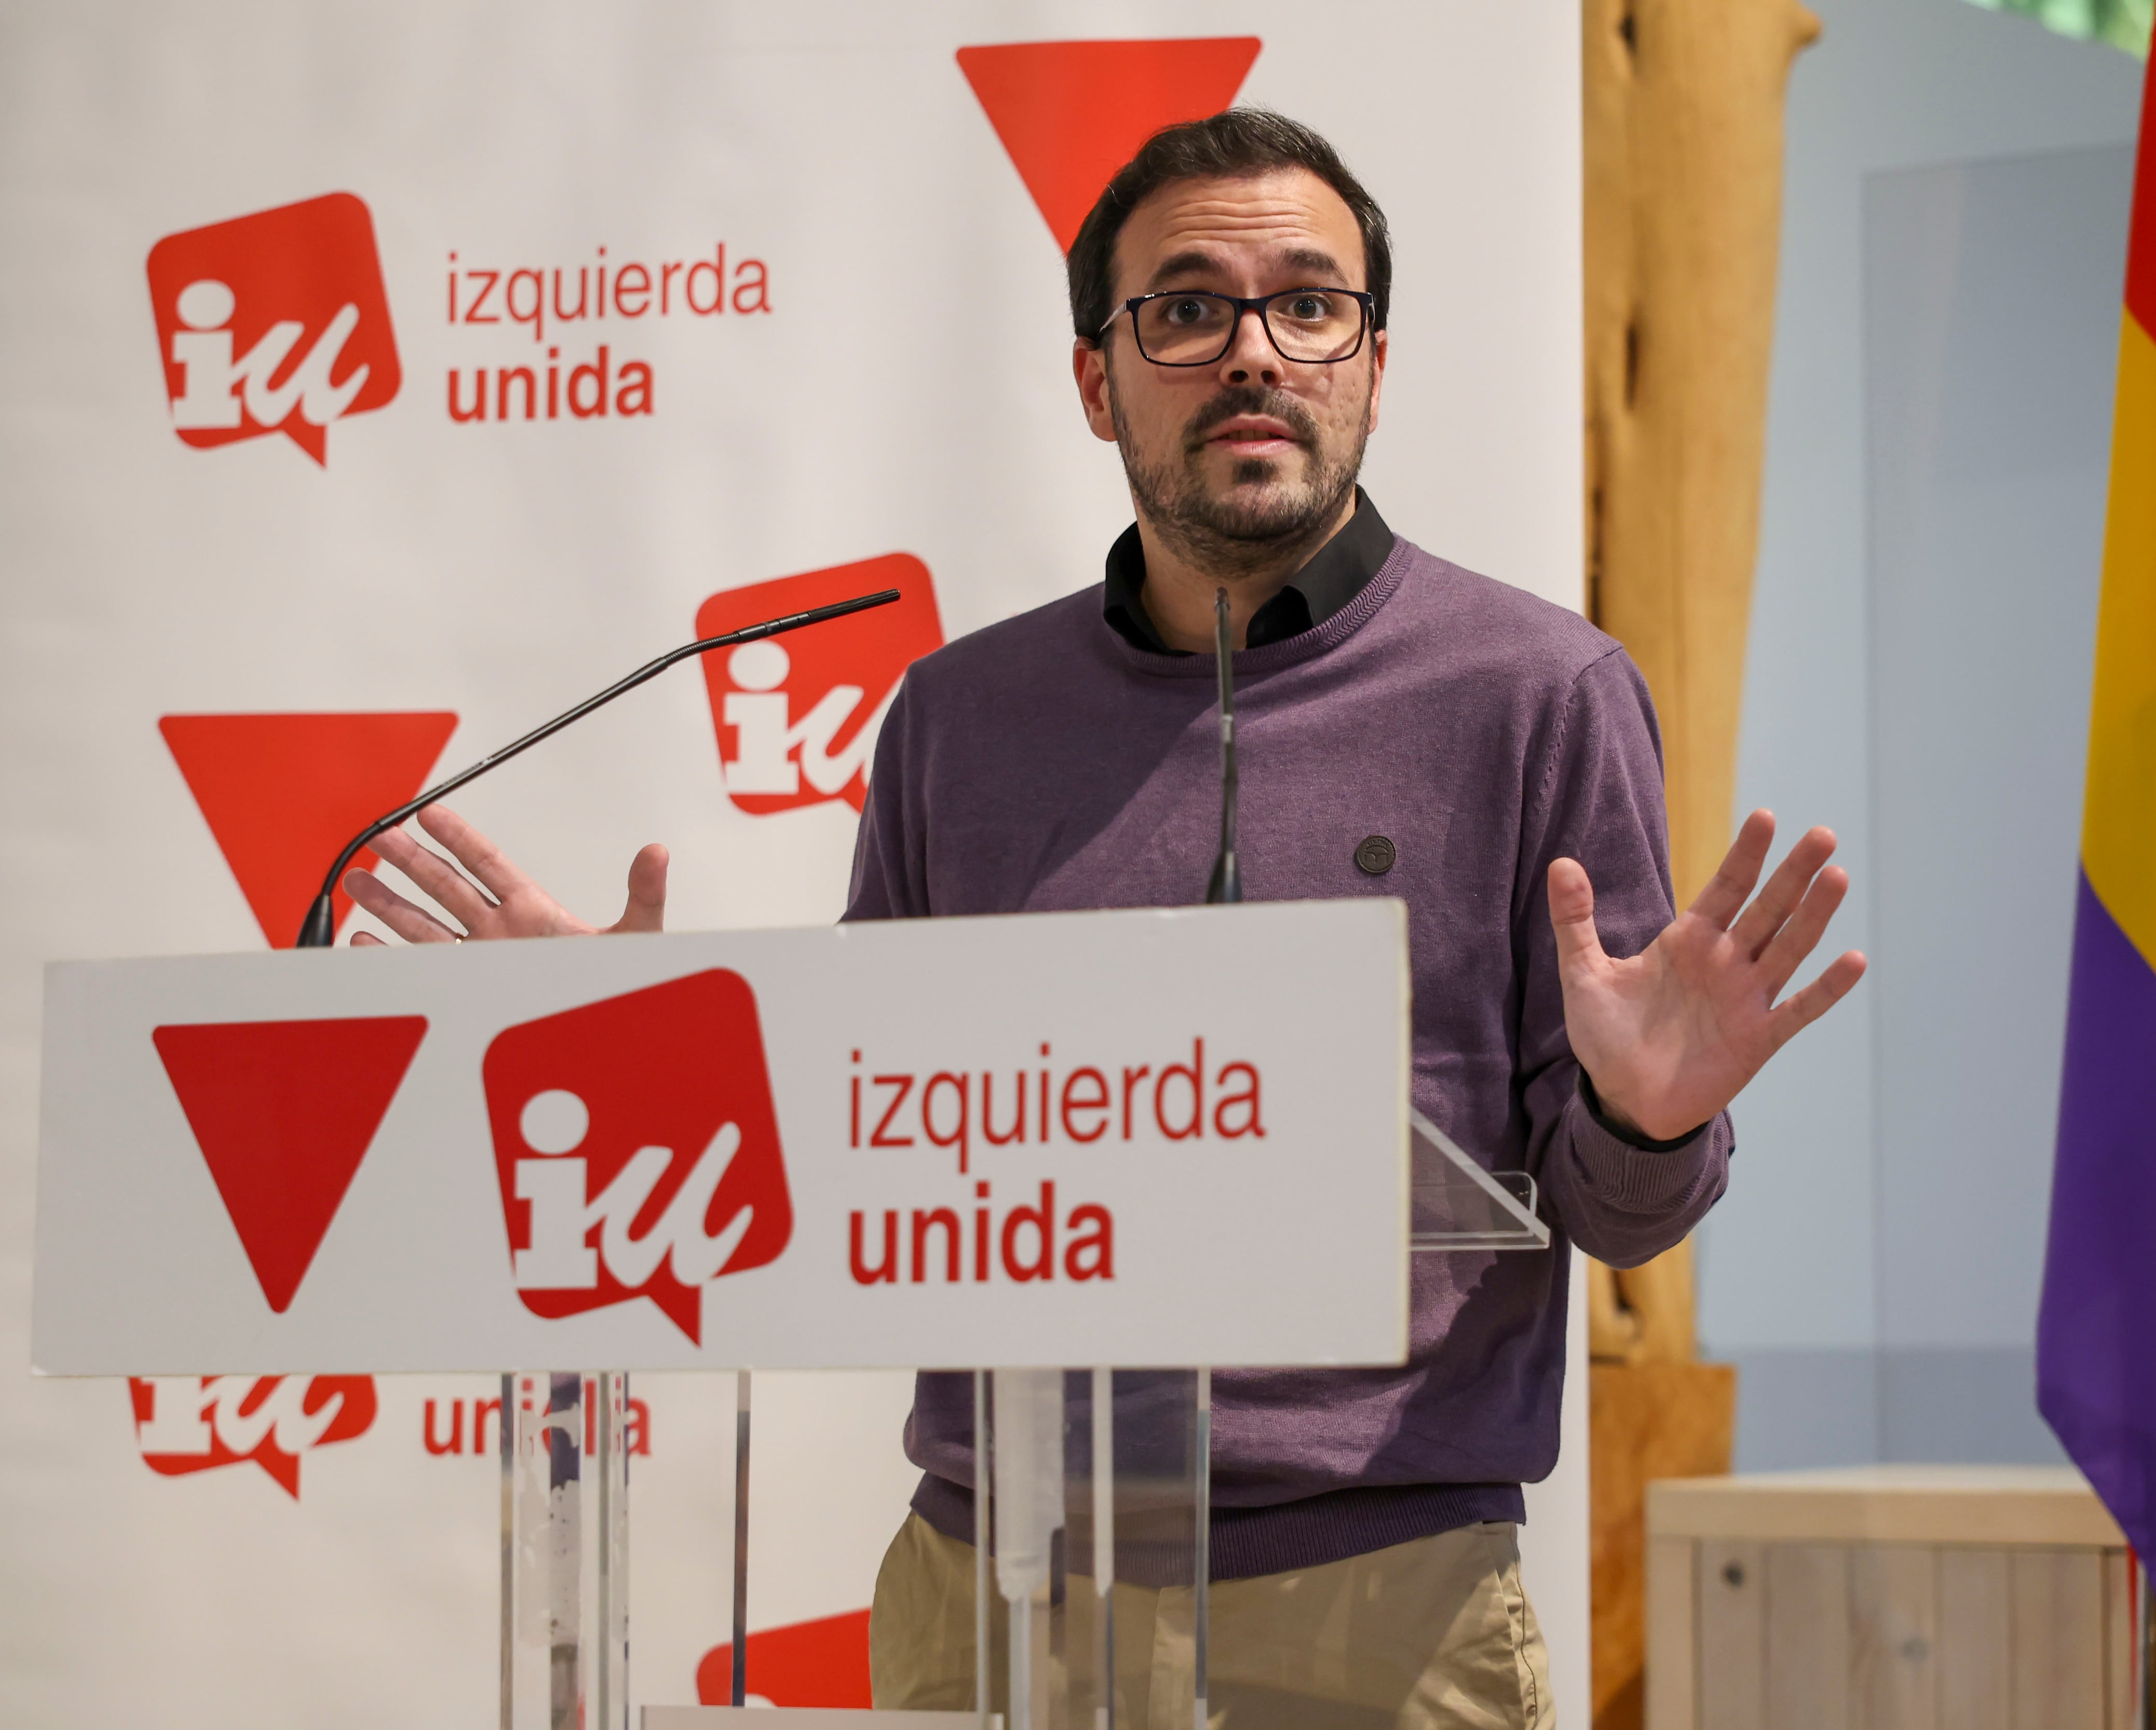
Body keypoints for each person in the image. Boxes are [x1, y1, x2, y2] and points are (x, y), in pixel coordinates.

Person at [346, 109, 1864, 1730]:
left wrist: (1641, 1117)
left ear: (1371, 358)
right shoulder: (957, 717)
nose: (1255, 352)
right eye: (1189, 307)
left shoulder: (1536, 694)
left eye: (1310, 302)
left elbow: (1620, 1220)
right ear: (1097, 379)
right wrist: (649, 1066)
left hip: (1377, 1605)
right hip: (988, 1589)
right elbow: (878, 1155)